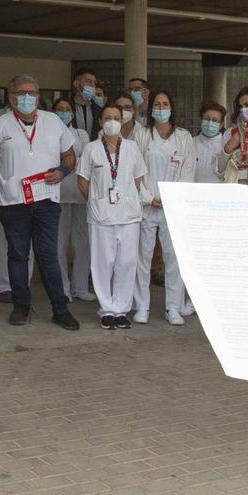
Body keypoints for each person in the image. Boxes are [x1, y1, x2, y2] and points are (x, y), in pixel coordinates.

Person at [0, 75, 80, 330]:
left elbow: (69, 156)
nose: (27, 97)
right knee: (18, 254)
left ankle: (60, 308)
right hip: (12, 202)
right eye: (21, 93)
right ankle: (21, 306)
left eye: (32, 93)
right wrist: (5, 179)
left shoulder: (54, 122)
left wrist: (63, 172)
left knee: (48, 255)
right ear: (11, 97)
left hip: (46, 200)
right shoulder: (0, 125)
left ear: (38, 95)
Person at [76, 102, 147, 330]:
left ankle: (121, 310)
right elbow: (82, 181)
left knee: (126, 262)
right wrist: (97, 202)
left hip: (128, 215)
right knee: (102, 263)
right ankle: (107, 310)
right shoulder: (91, 149)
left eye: (117, 117)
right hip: (101, 216)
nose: (113, 122)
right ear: (100, 121)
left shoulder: (132, 148)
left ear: (123, 120)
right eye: (107, 117)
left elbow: (138, 179)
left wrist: (126, 198)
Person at [135, 88, 195, 326]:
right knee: (143, 257)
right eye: (157, 105)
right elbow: (135, 171)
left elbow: (187, 172)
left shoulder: (184, 137)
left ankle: (173, 307)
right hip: (147, 205)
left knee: (173, 258)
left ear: (172, 107)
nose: (161, 108)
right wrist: (149, 198)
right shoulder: (141, 135)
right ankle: (142, 306)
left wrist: (170, 197)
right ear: (151, 109)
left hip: (173, 206)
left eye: (165, 104)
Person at [51, 95, 92, 303]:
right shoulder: (48, 131)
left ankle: (80, 286)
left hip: (80, 194)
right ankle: (63, 287)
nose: (64, 112)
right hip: (57, 194)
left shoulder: (81, 133)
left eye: (67, 109)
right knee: (59, 243)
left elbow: (84, 160)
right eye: (60, 108)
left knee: (82, 243)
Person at [193, 101, 228, 187]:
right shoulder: (191, 143)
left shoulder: (226, 145)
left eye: (215, 120)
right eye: (207, 119)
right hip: (193, 194)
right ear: (201, 120)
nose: (210, 123)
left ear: (221, 125)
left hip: (218, 195)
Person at [69, 70, 104, 136]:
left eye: (94, 83)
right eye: (88, 81)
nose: (92, 85)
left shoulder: (98, 110)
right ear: (76, 84)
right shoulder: (67, 107)